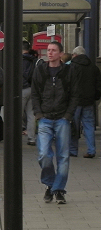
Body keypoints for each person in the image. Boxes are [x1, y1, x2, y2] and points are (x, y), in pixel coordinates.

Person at [31, 41, 79, 205]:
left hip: (62, 119)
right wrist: (38, 114)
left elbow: (74, 95)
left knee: (63, 157)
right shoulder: (40, 70)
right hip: (44, 118)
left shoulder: (69, 71)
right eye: (48, 50)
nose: (50, 53)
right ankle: (50, 184)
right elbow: (35, 93)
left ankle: (58, 190)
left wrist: (68, 115)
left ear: (60, 54)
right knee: (44, 154)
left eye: (53, 50)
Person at [69, 45, 101, 158]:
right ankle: (91, 150)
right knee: (89, 126)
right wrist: (95, 97)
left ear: (75, 55)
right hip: (89, 101)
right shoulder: (94, 67)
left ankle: (73, 150)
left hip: (75, 101)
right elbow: (98, 85)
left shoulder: (72, 67)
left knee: (74, 127)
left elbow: (69, 84)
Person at [22, 41, 37, 146]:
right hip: (32, 89)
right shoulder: (34, 60)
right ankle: (31, 138)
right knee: (31, 115)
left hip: (22, 89)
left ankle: (15, 136)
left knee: (17, 113)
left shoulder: (19, 60)